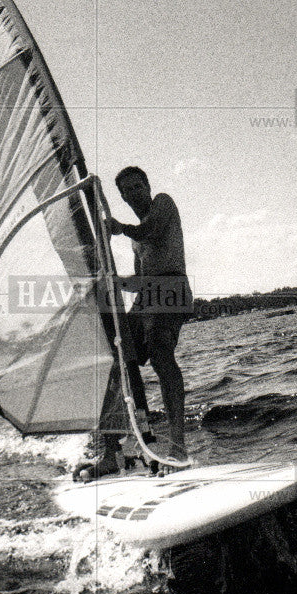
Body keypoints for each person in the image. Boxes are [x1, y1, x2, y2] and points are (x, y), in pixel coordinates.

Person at [73, 167, 191, 480]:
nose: (134, 193)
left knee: (160, 352)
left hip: (171, 289)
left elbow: (150, 230)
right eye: (127, 191)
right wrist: (116, 283)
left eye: (138, 186)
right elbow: (139, 281)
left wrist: (119, 228)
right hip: (147, 295)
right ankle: (112, 451)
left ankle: (178, 446)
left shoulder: (163, 205)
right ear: (122, 197)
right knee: (111, 353)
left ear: (148, 186)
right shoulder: (135, 238)